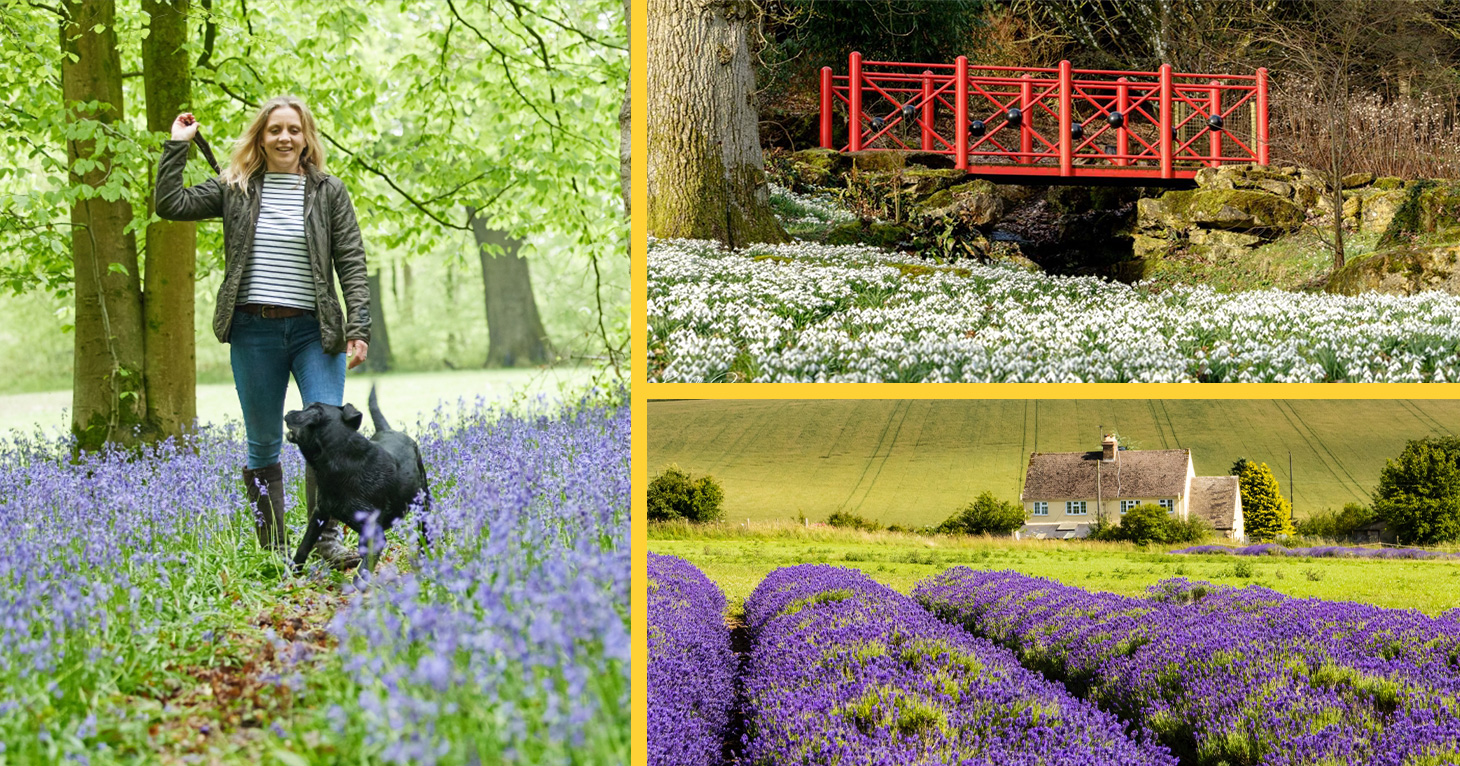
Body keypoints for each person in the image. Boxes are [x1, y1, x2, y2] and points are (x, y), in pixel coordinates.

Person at [155, 95, 370, 569]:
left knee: (329, 435)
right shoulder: (236, 187)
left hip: (317, 332)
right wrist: (178, 145)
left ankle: (324, 543)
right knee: (262, 443)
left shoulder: (329, 191)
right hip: (254, 330)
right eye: (275, 130)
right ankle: (272, 552)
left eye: (294, 129)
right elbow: (170, 203)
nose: (285, 137)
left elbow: (351, 262)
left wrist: (359, 326)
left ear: (306, 137)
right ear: (261, 136)